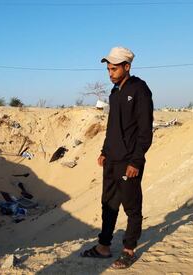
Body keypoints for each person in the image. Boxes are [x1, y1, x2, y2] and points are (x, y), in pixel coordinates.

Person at [80, 47, 154, 269]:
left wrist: (136, 161)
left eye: (114, 68)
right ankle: (103, 247)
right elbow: (112, 126)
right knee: (108, 204)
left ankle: (129, 250)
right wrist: (104, 150)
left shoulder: (139, 89)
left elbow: (145, 130)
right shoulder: (115, 92)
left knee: (132, 207)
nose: (110, 73)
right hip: (111, 159)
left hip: (128, 161)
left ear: (127, 67)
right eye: (108, 69)